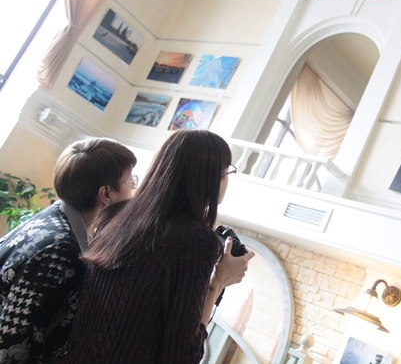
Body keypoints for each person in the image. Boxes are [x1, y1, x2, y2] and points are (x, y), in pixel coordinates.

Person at [59, 129, 255, 363]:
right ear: (210, 178)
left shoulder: (116, 214)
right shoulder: (195, 241)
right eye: (225, 172)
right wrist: (219, 282)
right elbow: (182, 355)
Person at [0, 138, 137, 363]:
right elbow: (13, 344)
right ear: (106, 193)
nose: (133, 188)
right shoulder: (60, 248)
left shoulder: (50, 220)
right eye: (130, 180)